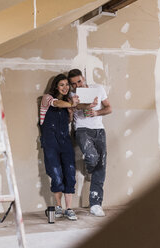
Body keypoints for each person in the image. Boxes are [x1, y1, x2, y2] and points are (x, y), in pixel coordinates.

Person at [68, 69, 112, 217]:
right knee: (93, 158)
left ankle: (95, 204)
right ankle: (90, 166)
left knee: (102, 166)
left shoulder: (98, 89)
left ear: (84, 78)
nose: (76, 85)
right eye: (73, 83)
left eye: (79, 81)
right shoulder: (71, 94)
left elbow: (109, 108)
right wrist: (86, 106)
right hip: (82, 130)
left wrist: (96, 112)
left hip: (99, 130)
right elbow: (76, 107)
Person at [39, 73, 79, 221]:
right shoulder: (47, 98)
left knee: (70, 173)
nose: (65, 87)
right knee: (56, 173)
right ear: (56, 86)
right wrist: (72, 104)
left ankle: (69, 208)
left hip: (65, 141)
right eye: (61, 85)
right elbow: (57, 104)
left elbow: (68, 121)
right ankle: (58, 207)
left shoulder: (67, 103)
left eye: (67, 85)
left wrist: (70, 112)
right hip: (50, 142)